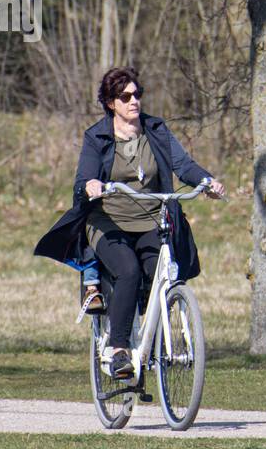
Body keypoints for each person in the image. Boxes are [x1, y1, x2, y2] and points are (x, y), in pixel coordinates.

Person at [34, 66, 225, 379]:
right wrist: (92, 185)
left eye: (138, 94)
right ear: (112, 103)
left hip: (151, 220)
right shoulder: (97, 136)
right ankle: (119, 349)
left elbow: (182, 164)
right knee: (128, 271)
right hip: (108, 222)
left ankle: (153, 342)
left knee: (161, 274)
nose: (134, 100)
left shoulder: (156, 130)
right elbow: (86, 175)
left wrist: (207, 181)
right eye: (126, 96)